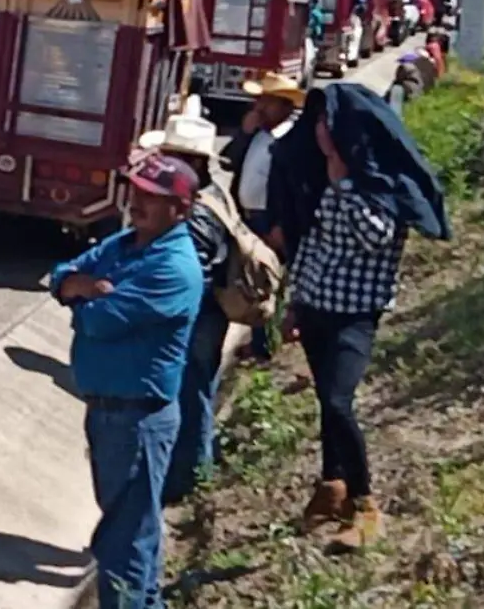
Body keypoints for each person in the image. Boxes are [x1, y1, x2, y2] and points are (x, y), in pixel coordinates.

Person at [276, 84, 448, 552]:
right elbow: (310, 247)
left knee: (338, 401)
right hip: (315, 309)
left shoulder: (382, 185)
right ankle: (333, 485)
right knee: (325, 401)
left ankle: (366, 503)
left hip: (353, 315)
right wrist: (294, 304)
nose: (317, 132)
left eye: (325, 123)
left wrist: (342, 182)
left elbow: (373, 236)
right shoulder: (322, 178)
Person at [49, 153, 205, 609]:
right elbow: (61, 276)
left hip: (137, 420)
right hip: (110, 413)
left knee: (125, 541)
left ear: (180, 209)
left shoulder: (173, 268)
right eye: (136, 192)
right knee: (130, 531)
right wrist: (78, 287)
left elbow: (98, 321)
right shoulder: (126, 242)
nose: (137, 203)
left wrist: (83, 295)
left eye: (151, 198)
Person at [136, 98, 235, 505]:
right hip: (209, 312)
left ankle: (188, 478)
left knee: (189, 394)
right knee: (196, 391)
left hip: (199, 315)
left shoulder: (194, 213)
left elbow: (186, 277)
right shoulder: (213, 195)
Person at [223, 71, 302, 363]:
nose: (259, 107)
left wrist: (282, 224)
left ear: (285, 106)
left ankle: (266, 345)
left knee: (270, 283)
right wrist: (244, 133)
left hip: (271, 219)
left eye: (266, 102)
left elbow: (295, 188)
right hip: (248, 217)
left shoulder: (291, 141)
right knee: (251, 281)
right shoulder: (258, 133)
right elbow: (229, 161)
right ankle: (259, 342)